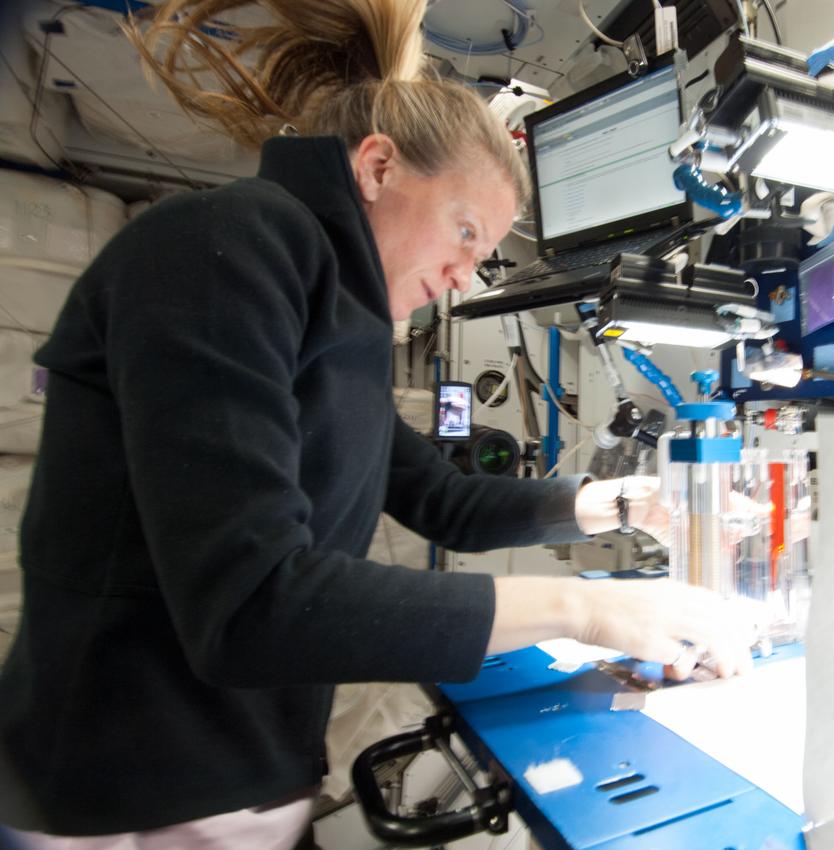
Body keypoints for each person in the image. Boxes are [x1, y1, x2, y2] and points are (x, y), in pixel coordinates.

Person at [0, 0, 758, 845]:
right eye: (464, 233)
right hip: (123, 779)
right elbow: (251, 604)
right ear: (378, 166)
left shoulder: (342, 315)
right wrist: (581, 609)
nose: (465, 278)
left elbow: (438, 500)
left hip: (246, 767)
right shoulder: (223, 246)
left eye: (481, 256)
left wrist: (611, 502)